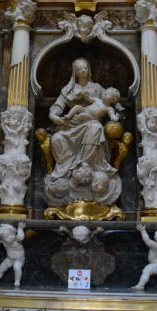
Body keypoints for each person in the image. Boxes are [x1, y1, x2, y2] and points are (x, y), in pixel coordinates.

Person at [46, 58, 122, 205]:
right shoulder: (68, 89)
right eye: (80, 68)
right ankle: (66, 172)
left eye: (85, 67)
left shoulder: (98, 88)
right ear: (75, 72)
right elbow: (58, 106)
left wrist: (118, 112)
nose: (83, 70)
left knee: (95, 127)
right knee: (56, 138)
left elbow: (113, 101)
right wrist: (53, 116)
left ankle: (83, 167)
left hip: (92, 124)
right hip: (71, 125)